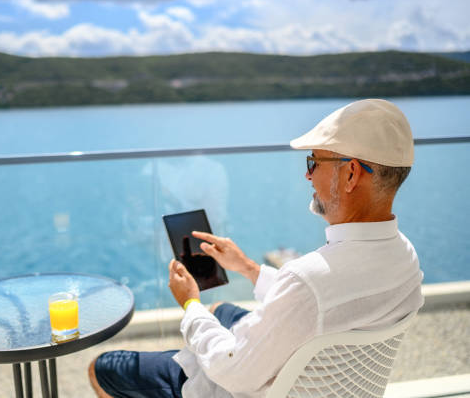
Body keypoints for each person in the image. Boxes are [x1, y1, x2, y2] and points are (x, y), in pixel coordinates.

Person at [88, 99, 424, 398]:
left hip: (232, 385)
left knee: (101, 367)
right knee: (219, 308)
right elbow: (316, 303)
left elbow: (232, 370)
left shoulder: (310, 281)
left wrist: (189, 302)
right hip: (325, 382)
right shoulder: (405, 257)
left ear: (351, 174)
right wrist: (248, 268)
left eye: (314, 163)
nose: (308, 176)